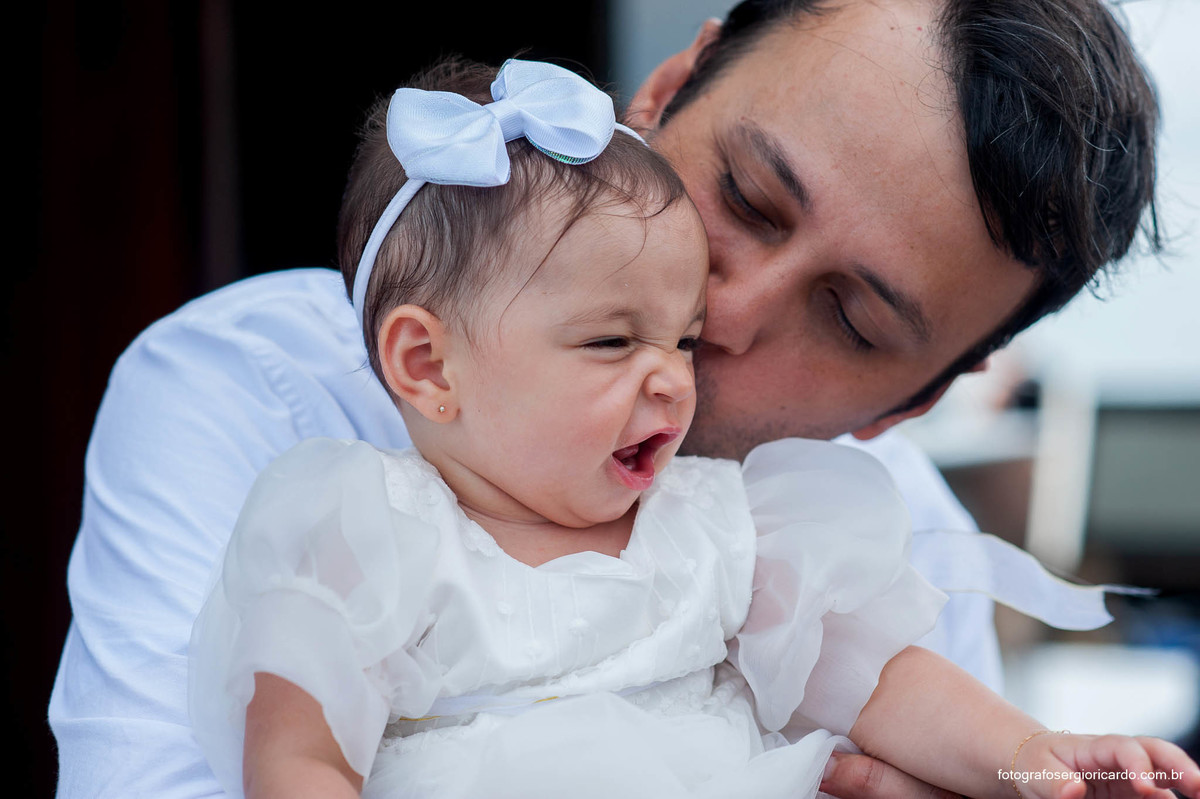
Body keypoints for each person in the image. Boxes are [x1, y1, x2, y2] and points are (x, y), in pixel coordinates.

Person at [48, 1, 1160, 797]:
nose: (720, 318)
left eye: (853, 321)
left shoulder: (824, 535)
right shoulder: (285, 437)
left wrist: (1035, 761)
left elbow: (905, 689)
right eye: (746, 194)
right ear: (669, 90)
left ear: (908, 406)